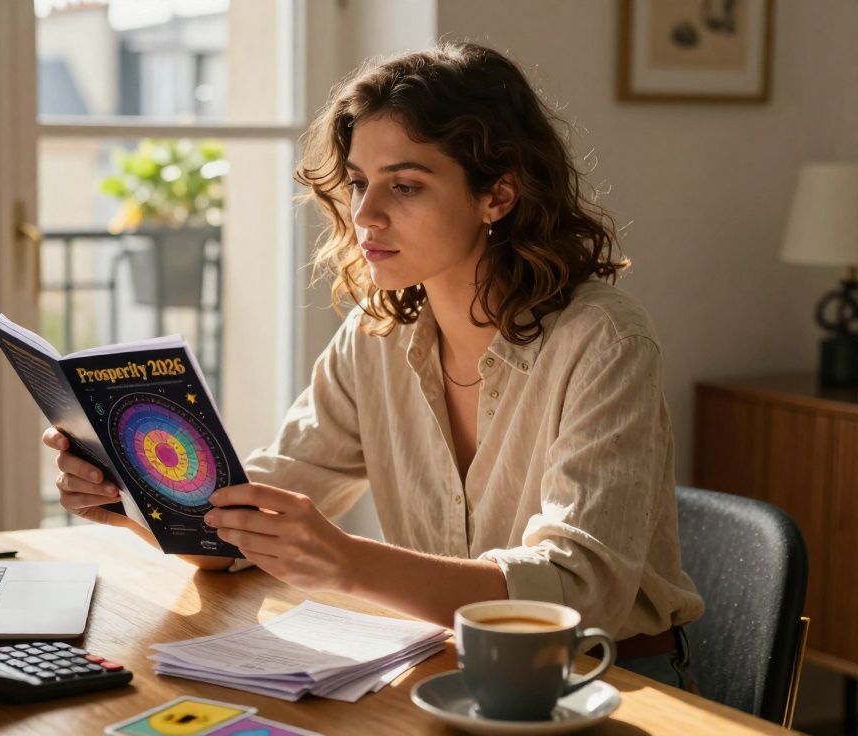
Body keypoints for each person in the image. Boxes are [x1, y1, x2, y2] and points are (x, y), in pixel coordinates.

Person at [41, 41, 703, 690]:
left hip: (611, 681)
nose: (364, 214)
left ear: (497, 195)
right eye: (359, 182)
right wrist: (133, 497)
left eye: (405, 186)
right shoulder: (377, 336)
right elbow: (246, 529)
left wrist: (346, 562)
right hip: (454, 672)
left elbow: (581, 593)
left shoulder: (603, 340)